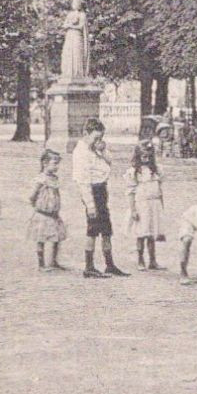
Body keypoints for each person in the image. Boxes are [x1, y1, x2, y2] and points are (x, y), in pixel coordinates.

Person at [72, 118, 127, 278]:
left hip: (102, 190)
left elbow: (110, 162)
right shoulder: (81, 153)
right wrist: (90, 205)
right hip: (92, 192)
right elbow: (83, 182)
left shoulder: (95, 149)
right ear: (85, 134)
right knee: (93, 230)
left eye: (101, 138)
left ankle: (109, 264)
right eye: (95, 138)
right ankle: (89, 266)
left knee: (106, 229)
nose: (98, 141)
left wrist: (102, 150)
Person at [27, 148, 68, 271]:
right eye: (54, 163)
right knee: (41, 238)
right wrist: (37, 204)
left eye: (58, 164)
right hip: (43, 214)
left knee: (56, 238)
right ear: (45, 163)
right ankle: (41, 264)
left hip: (54, 214)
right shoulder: (41, 179)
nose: (57, 167)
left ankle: (53, 261)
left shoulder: (55, 179)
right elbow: (32, 195)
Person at [127, 141, 166, 270]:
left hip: (154, 204)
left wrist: (162, 205)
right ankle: (140, 260)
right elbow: (131, 192)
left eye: (149, 156)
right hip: (141, 205)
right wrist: (133, 210)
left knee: (151, 233)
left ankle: (153, 260)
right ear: (138, 156)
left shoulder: (157, 170)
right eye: (143, 155)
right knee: (141, 232)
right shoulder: (134, 172)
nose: (146, 158)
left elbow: (160, 190)